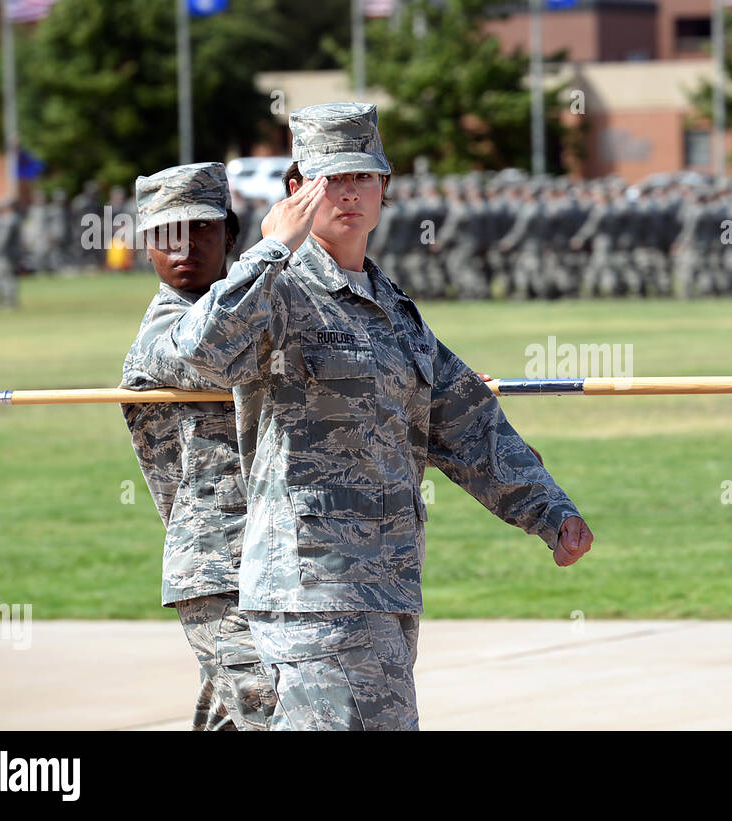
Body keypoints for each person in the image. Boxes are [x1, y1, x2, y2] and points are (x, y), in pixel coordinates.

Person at [142, 103, 594, 731]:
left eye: (362, 178)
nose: (348, 194)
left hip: (385, 584)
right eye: (330, 179)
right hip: (311, 588)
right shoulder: (274, 287)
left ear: (384, 189)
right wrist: (270, 249)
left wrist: (547, 510)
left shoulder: (390, 306)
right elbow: (199, 352)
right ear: (296, 190)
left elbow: (463, 418)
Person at [121, 162, 276, 730]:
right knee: (269, 712)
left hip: (287, 554)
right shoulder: (166, 330)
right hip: (220, 564)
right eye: (165, 234)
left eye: (201, 229)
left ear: (230, 235)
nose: (182, 247)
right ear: (147, 247)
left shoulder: (264, 310)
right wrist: (275, 252)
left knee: (232, 719)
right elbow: (209, 352)